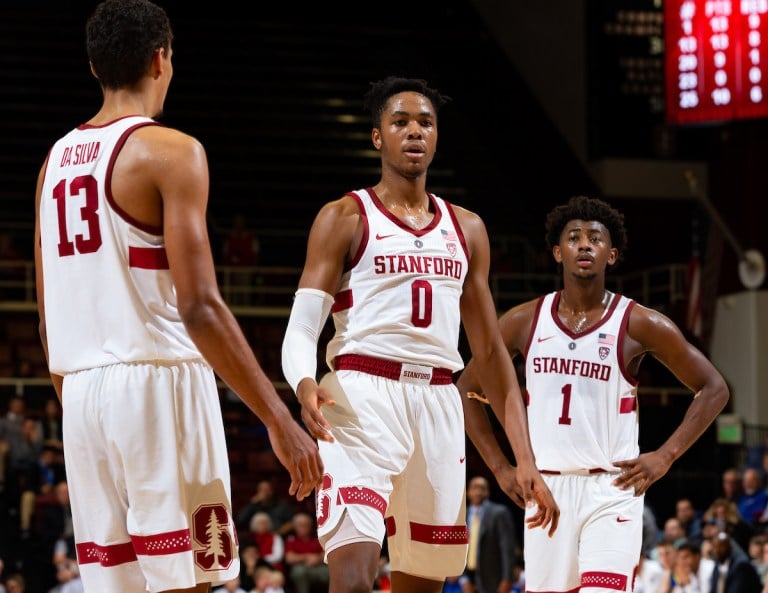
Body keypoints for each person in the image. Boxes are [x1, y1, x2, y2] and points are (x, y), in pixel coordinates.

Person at [33, 1, 323, 592]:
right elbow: (200, 307)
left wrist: (83, 407)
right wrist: (277, 418)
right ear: (161, 59)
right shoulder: (171, 150)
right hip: (156, 383)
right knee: (187, 582)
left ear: (95, 66)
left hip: (81, 391)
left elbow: (46, 323)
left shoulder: (53, 163)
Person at [280, 75, 558, 593]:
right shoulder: (344, 216)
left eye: (425, 122)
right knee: (354, 577)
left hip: (437, 401)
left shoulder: (467, 228)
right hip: (358, 399)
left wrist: (523, 459)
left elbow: (492, 355)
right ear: (377, 137)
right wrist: (301, 383)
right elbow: (302, 325)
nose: (414, 131)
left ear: (437, 136)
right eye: (400, 122)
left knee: (425, 584)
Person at [456, 195, 730, 592]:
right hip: (547, 489)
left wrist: (665, 457)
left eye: (596, 239)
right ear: (557, 251)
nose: (585, 244)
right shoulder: (522, 321)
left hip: (612, 489)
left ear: (612, 255)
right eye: (574, 237)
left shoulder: (639, 322)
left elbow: (714, 388)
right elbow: (465, 390)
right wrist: (501, 467)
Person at [463, 475, 518, 593]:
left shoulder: (499, 513)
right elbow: (459, 548)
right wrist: (463, 578)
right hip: (469, 576)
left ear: (488, 492)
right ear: (468, 492)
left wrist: (507, 579)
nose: (478, 491)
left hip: (493, 578)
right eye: (474, 487)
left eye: (482, 488)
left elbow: (507, 549)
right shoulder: (462, 515)